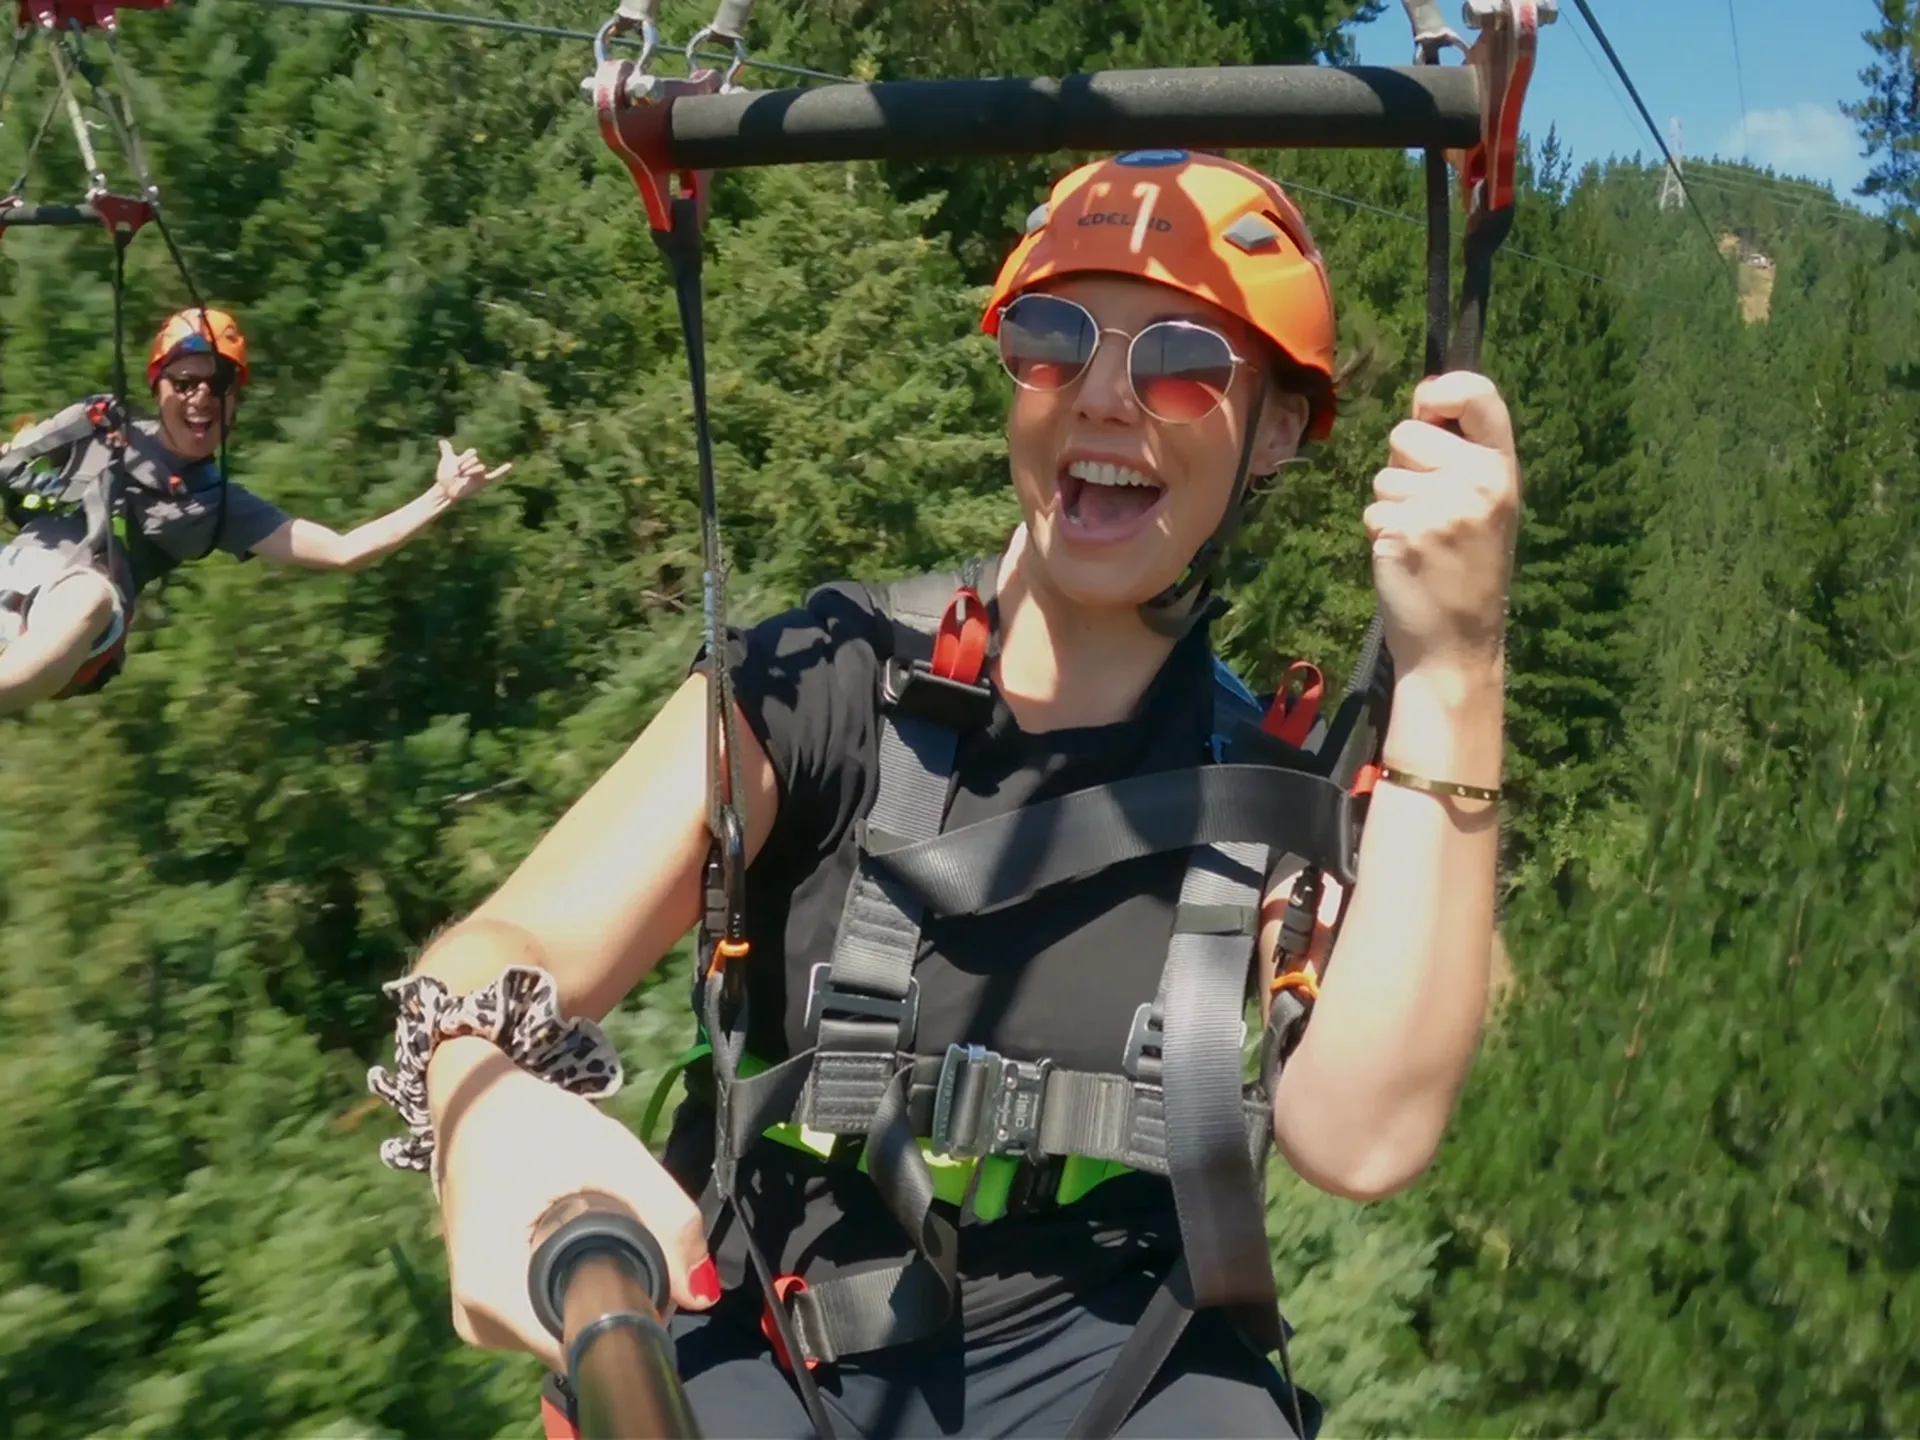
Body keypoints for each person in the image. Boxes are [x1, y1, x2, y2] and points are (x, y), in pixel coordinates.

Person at [368, 150, 1518, 1439]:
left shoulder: (1259, 781)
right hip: (767, 1315)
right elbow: (517, 938)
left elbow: (1361, 1136)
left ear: (1281, 430)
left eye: (1182, 362)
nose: (1103, 397)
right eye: (1054, 339)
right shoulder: (824, 678)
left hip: (1113, 1346)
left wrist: (1455, 666)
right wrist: (475, 1091)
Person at [0, 307, 510, 714]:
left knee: (90, 597)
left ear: (234, 400)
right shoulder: (98, 424)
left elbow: (343, 551)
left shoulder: (220, 504)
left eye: (219, 384)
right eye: (185, 383)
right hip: (15, 571)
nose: (201, 397)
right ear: (158, 387)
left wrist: (441, 495)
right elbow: (14, 456)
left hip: (76, 613)